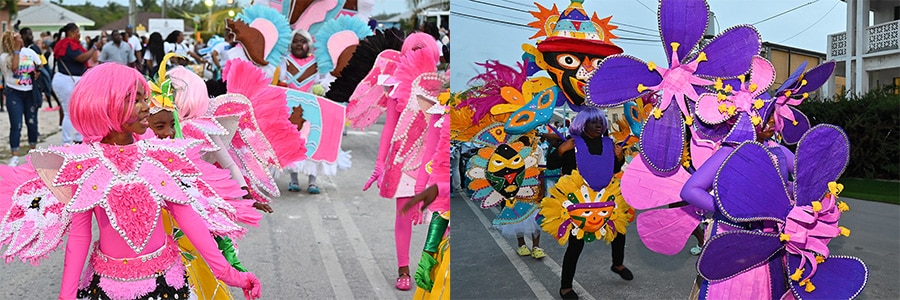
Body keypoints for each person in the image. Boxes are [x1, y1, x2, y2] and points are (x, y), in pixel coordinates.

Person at [548, 107, 631, 300]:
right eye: (594, 122)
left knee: (619, 232)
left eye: (601, 121)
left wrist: (619, 157)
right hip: (580, 202)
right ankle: (565, 287)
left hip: (603, 198)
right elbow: (552, 164)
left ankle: (617, 264)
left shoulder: (608, 143)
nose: (599, 125)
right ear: (582, 124)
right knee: (575, 245)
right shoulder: (571, 144)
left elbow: (612, 168)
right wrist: (560, 150)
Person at [53, 23, 101, 146]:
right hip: (67, 80)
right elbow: (81, 58)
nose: (79, 34)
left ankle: (79, 139)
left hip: (73, 79)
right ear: (72, 32)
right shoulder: (67, 44)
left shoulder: (71, 44)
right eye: (78, 32)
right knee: (69, 112)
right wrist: (94, 48)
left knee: (80, 111)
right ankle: (66, 142)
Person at [1, 30, 42, 166]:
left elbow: (40, 64)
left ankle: (33, 151)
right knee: (16, 125)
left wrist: (37, 72)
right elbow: (14, 68)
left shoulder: (29, 52)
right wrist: (17, 51)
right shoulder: (4, 57)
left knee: (32, 122)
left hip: (30, 92)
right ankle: (15, 155)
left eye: (20, 37)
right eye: (17, 38)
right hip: (14, 92)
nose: (21, 39)